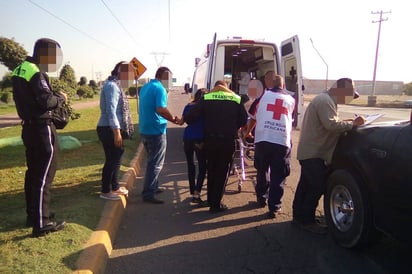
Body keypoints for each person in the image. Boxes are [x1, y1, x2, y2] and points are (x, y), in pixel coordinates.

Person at [292, 77, 365, 234]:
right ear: (340, 90)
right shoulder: (326, 100)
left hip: (311, 151)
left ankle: (299, 216)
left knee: (305, 185)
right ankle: (306, 221)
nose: (350, 99)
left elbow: (330, 121)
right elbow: (331, 125)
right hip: (314, 153)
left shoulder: (326, 100)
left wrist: (348, 121)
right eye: (349, 94)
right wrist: (354, 124)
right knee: (317, 186)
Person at [11, 38, 67, 237]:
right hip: (42, 129)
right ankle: (42, 223)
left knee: (33, 173)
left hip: (28, 129)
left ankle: (34, 214)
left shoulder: (19, 69)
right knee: (44, 176)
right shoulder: (35, 71)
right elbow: (46, 100)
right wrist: (61, 97)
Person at [184, 80, 248, 213]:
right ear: (227, 88)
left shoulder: (206, 97)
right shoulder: (236, 99)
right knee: (222, 172)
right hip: (227, 141)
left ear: (215, 88)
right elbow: (243, 119)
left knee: (211, 170)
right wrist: (232, 126)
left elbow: (189, 117)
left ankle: (210, 200)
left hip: (210, 140)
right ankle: (216, 204)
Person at [244, 72, 295, 219]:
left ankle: (261, 198)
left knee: (262, 170)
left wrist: (248, 133)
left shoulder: (262, 98)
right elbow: (289, 119)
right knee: (278, 175)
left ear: (271, 84)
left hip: (263, 140)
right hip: (281, 141)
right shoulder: (291, 100)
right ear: (283, 85)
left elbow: (253, 118)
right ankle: (274, 207)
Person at [138, 66, 181, 204]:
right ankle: (148, 193)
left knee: (152, 159)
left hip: (145, 128)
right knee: (155, 163)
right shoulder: (160, 89)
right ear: (165, 76)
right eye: (169, 78)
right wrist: (173, 119)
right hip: (156, 130)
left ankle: (154, 186)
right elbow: (161, 109)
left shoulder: (146, 86)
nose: (170, 82)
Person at [96, 61, 135, 201]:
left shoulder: (116, 85)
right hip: (108, 128)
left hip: (112, 127)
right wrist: (116, 132)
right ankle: (105, 191)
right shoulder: (112, 86)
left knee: (117, 157)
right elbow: (111, 111)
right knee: (112, 159)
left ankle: (115, 186)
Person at [180, 88, 207, 203]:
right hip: (199, 139)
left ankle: (192, 191)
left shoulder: (188, 106)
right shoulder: (205, 108)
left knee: (190, 165)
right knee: (202, 166)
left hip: (187, 138)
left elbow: (182, 121)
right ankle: (197, 193)